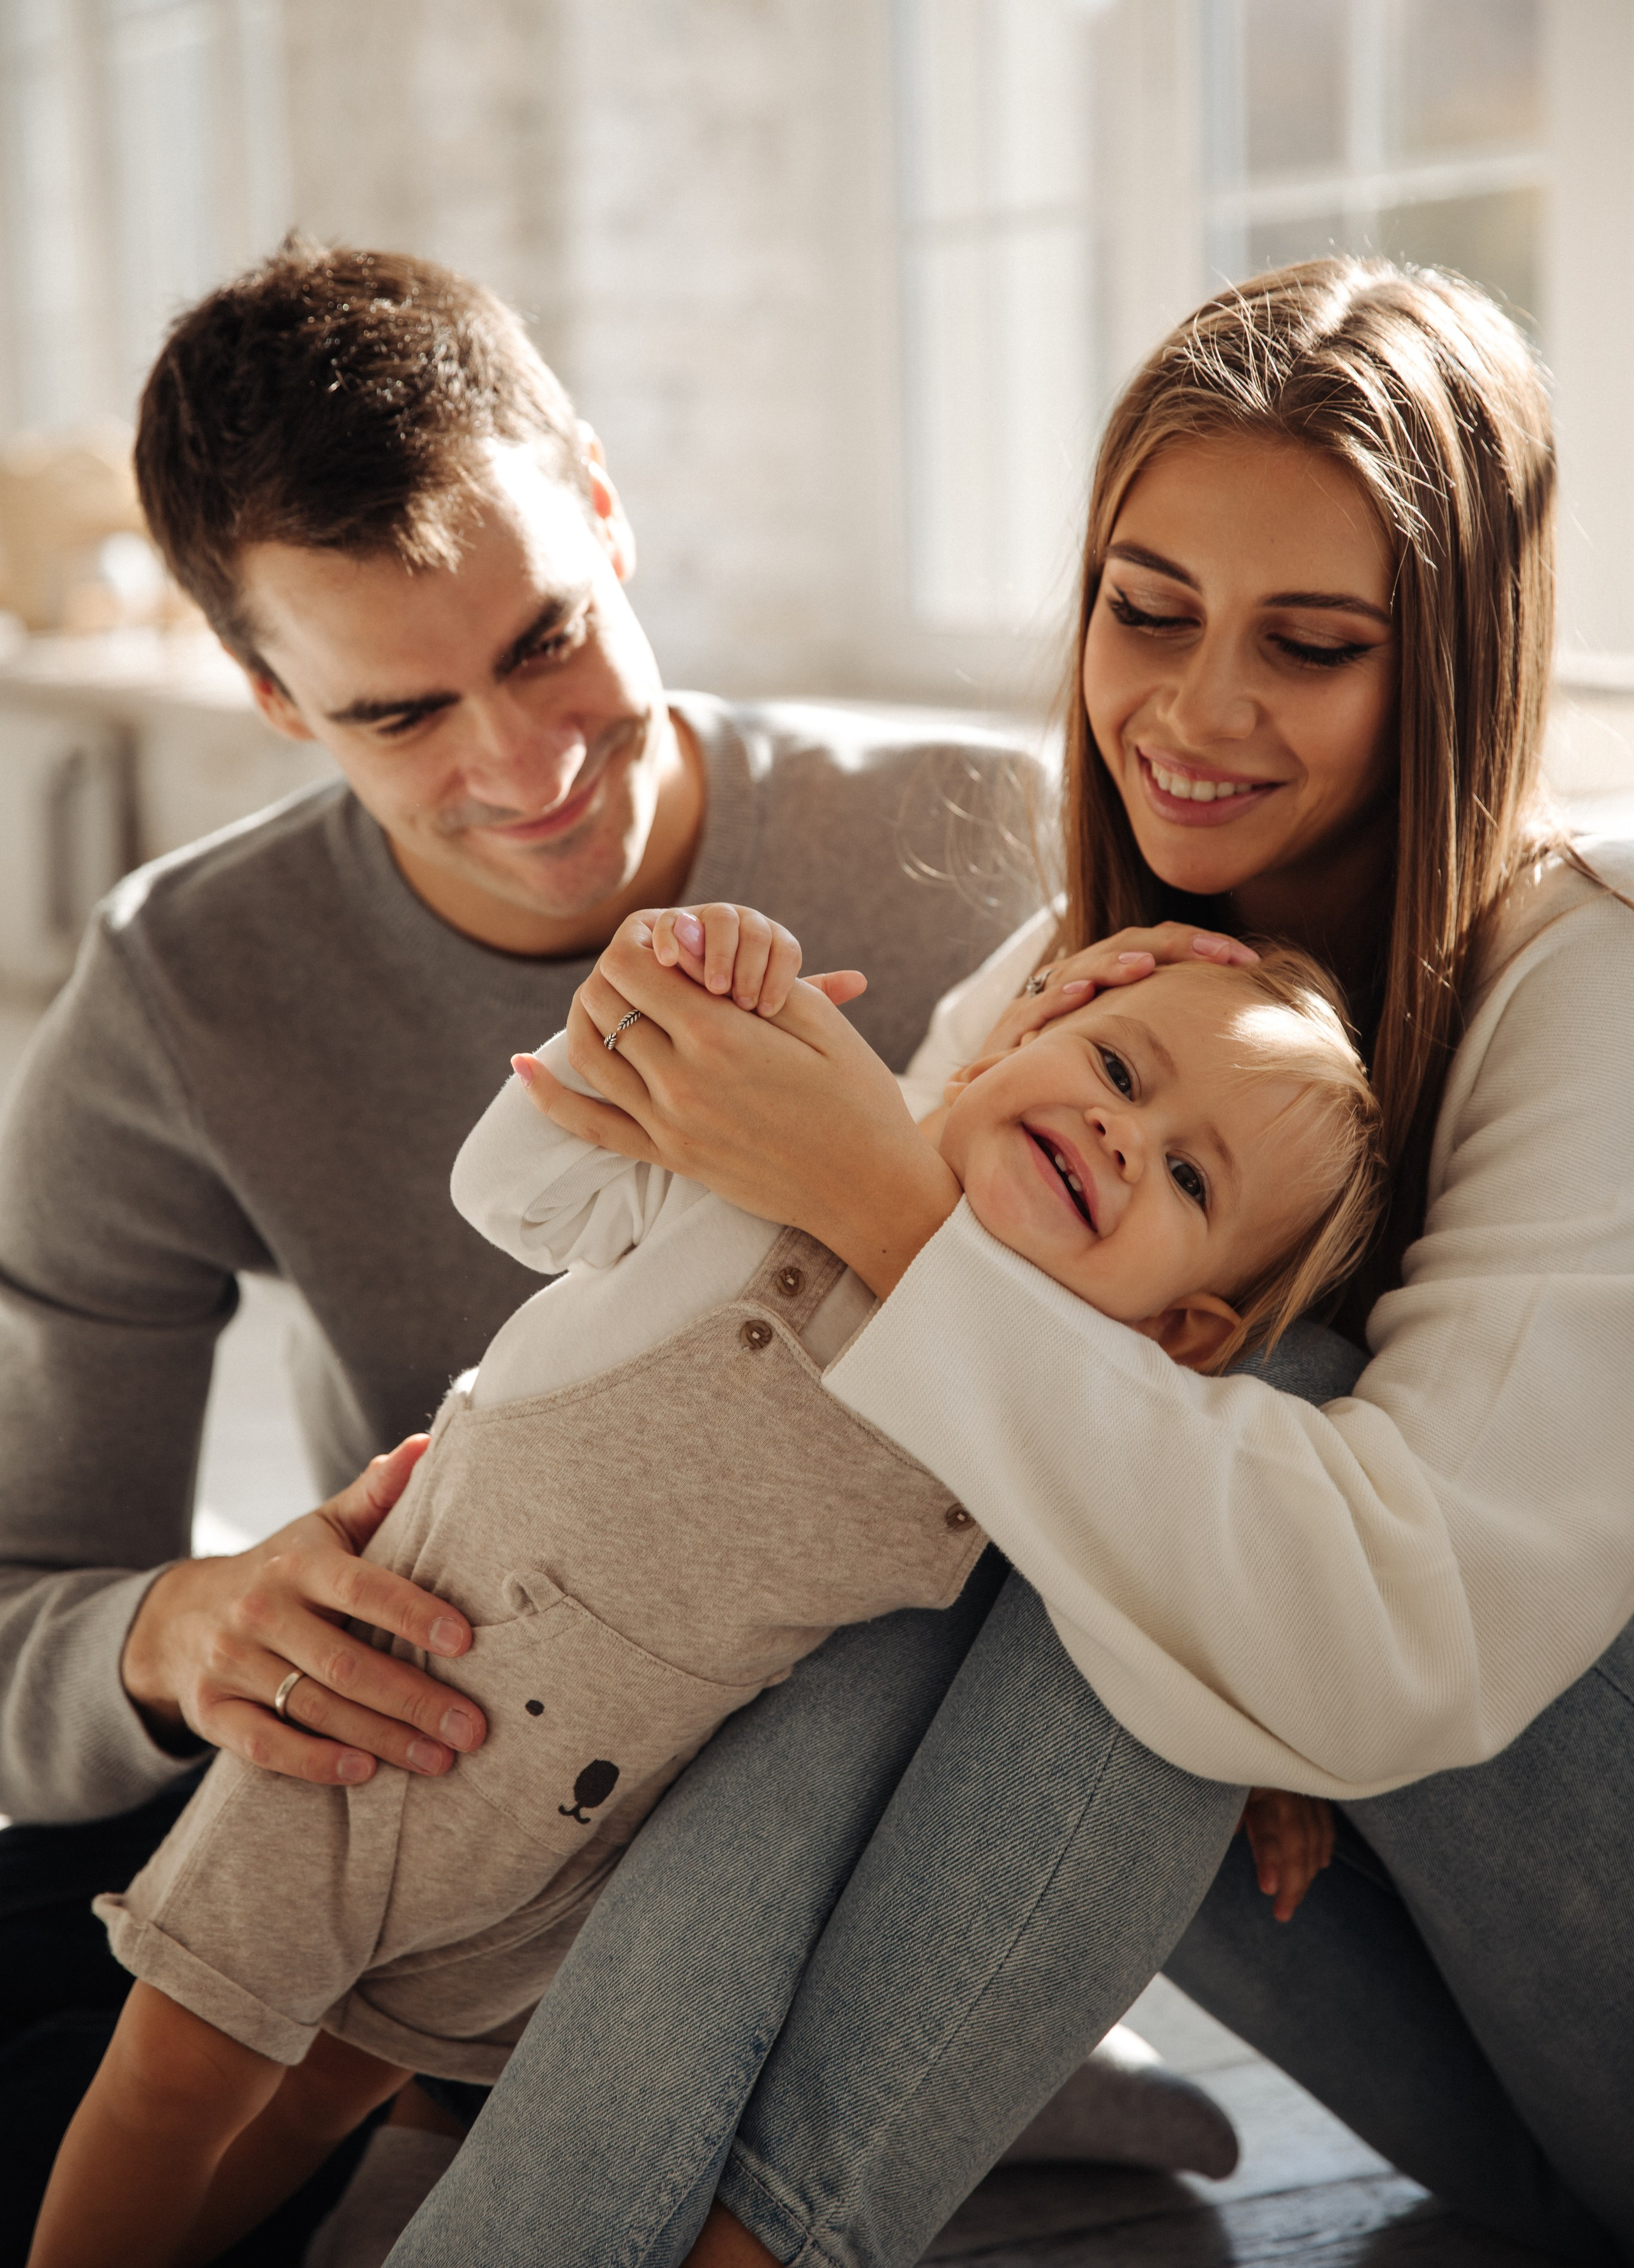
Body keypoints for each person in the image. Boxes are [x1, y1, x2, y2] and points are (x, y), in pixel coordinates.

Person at [381, 257, 1634, 2268]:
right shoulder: (1088, 976)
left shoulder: (1596, 974)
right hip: (1498, 2119)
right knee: (959, 1472)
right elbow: (808, 1437)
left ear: (1453, 668)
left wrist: (900, 1212)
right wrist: (463, 1529)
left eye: (1310, 646)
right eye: (1148, 613)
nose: (1198, 711)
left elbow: (1395, 1630)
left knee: (1194, 1408)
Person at [0, 237, 1048, 2259]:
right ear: (268, 698)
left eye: (550, 637)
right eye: (399, 713)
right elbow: (21, 1601)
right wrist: (177, 1629)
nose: (527, 763)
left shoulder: (975, 848)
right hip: (438, 1820)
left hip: (865, 1793)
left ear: (602, 495)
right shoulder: (184, 989)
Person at [30, 899, 1376, 2268]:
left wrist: (1256, 1757)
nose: (1119, 1134)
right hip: (372, 1710)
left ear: (1177, 1334)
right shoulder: (753, 1166)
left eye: (1188, 1180)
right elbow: (509, 1190)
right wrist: (627, 1022)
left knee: (324, 2097)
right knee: (174, 2080)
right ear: (1003, 1045)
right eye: (1115, 1070)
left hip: (572, 1853)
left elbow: (1124, 1610)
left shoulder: (999, 1455)